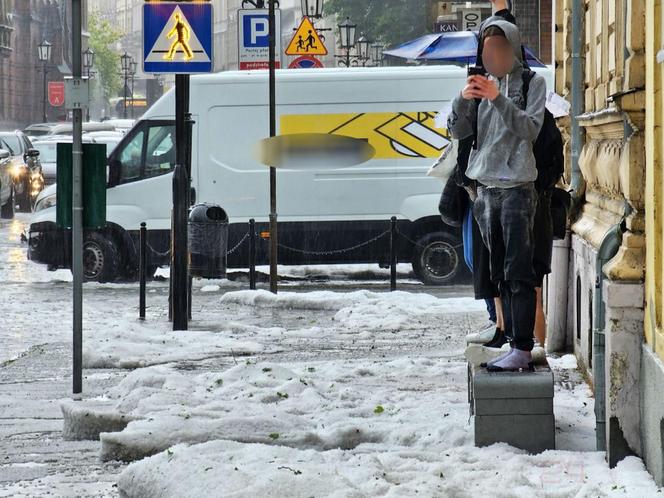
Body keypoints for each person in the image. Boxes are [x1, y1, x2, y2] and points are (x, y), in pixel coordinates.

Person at [448, 19, 547, 372]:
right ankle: (509, 341)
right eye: (488, 50)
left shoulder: (532, 83)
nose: (494, 56)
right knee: (497, 272)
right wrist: (463, 100)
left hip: (517, 190)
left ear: (514, 49)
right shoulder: (480, 87)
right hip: (485, 189)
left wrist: (499, 98)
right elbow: (458, 132)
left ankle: (523, 346)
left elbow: (529, 130)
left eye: (501, 49)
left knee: (519, 270)